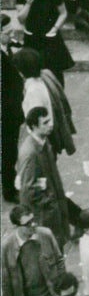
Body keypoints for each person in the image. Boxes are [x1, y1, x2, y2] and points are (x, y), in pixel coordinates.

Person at [16, 108, 72, 249]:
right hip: (45, 213)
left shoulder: (43, 141)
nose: (51, 124)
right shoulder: (30, 154)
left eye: (50, 120)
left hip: (54, 205)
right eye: (45, 123)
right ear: (34, 126)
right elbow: (28, 190)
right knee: (50, 248)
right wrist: (50, 200)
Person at [16, 0, 73, 84]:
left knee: (55, 74)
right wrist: (28, 4)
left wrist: (55, 28)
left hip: (50, 37)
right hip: (32, 37)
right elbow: (20, 18)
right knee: (34, 73)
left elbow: (63, 13)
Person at [1, 14, 25, 201]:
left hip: (13, 109)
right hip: (6, 113)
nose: (11, 35)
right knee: (8, 151)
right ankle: (8, 190)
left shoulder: (6, 46)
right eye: (8, 33)